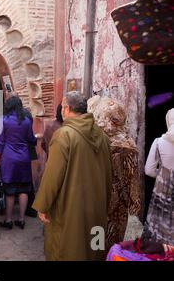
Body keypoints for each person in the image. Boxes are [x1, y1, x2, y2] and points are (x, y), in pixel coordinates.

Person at [32, 91, 112, 261]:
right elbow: (107, 174)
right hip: (97, 206)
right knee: (94, 247)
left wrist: (43, 205)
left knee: (66, 248)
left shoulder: (64, 135)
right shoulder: (103, 137)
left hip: (71, 206)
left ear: (66, 109)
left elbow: (53, 175)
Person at [88, 95, 141, 249]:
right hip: (119, 205)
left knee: (95, 241)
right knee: (114, 240)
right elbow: (133, 181)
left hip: (96, 200)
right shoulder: (128, 143)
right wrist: (134, 207)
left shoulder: (94, 141)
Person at [0, 96, 37, 229]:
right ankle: (22, 219)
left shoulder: (3, 120)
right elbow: (31, 139)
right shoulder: (27, 121)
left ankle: (8, 219)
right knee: (24, 189)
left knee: (10, 190)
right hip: (23, 157)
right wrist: (36, 138)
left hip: (9, 158)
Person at [142, 108, 174, 245]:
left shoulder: (159, 142)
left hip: (163, 189)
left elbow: (148, 170)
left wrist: (162, 175)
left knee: (160, 228)